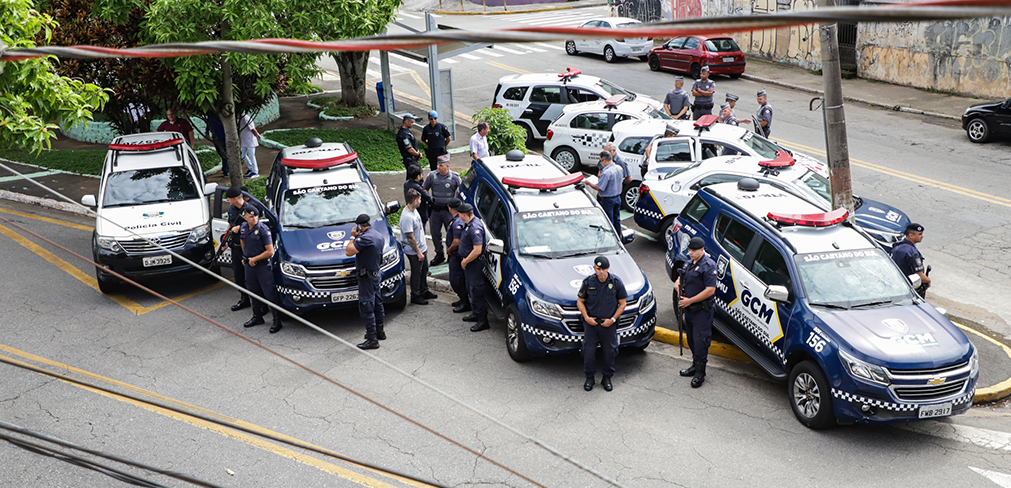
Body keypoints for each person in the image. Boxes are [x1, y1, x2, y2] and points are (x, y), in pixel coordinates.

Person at [577, 256, 627, 392]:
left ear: (608, 268)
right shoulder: (588, 282)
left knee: (610, 351)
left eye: (604, 269)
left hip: (608, 324)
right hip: (591, 324)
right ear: (594, 268)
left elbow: (622, 304)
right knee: (588, 352)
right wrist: (586, 318)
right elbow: (580, 301)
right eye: (598, 269)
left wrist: (613, 319)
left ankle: (607, 378)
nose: (601, 272)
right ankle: (589, 378)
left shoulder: (616, 282)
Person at [674, 237, 717, 388]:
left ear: (702, 250)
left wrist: (690, 300)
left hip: (701, 311)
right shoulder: (688, 263)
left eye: (693, 251)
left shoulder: (708, 266)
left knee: (701, 341)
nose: (690, 253)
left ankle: (700, 373)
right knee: (691, 339)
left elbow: (710, 290)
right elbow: (681, 277)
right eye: (689, 250)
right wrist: (678, 284)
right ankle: (694, 365)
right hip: (689, 310)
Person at [345, 213, 386, 350]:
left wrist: (352, 237)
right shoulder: (378, 235)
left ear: (359, 225)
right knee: (378, 303)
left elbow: (349, 252)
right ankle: (380, 331)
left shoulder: (366, 238)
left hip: (367, 278)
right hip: (376, 274)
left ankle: (372, 339)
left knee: (367, 306)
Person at [239, 206, 282, 334]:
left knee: (269, 293)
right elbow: (243, 242)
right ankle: (257, 316)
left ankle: (277, 320)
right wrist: (245, 256)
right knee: (253, 291)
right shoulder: (244, 227)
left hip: (262, 267)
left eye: (256, 216)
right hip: (249, 266)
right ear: (245, 217)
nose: (254, 219)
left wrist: (255, 258)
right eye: (251, 217)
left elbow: (270, 251)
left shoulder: (263, 230)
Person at [422, 153, 461, 266]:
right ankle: (439, 254)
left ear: (447, 166)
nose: (438, 167)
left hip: (449, 211)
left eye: (441, 165)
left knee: (451, 233)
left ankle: (451, 254)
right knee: (435, 233)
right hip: (435, 210)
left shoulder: (454, 177)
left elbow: (460, 192)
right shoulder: (432, 176)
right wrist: (430, 200)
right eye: (438, 165)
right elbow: (424, 189)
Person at [400, 189, 438, 306]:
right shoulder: (407, 217)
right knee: (417, 273)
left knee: (424, 270)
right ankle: (415, 295)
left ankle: (424, 290)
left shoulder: (414, 211)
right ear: (415, 200)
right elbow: (410, 238)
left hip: (422, 248)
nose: (421, 201)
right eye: (420, 199)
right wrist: (418, 252)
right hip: (414, 251)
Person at [458, 203, 489, 331]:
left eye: (460, 214)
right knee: (471, 289)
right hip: (470, 264)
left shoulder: (474, 228)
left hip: (474, 264)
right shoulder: (470, 223)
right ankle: (476, 313)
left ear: (464, 214)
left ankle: (483, 320)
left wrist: (465, 261)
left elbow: (477, 250)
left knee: (477, 291)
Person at [587, 151, 625, 241]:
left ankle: (610, 239)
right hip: (617, 197)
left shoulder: (606, 173)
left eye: (600, 161)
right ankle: (618, 237)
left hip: (608, 199)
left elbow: (599, 187)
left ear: (604, 160)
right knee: (617, 219)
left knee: (609, 221)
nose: (600, 163)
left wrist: (588, 182)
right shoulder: (619, 168)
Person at [225, 186, 251, 312]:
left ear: (235, 198)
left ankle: (260, 303)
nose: (228, 201)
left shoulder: (249, 209)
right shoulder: (232, 209)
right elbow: (230, 224)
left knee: (252, 277)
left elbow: (255, 225)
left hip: (248, 248)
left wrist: (240, 227)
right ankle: (244, 299)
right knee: (238, 276)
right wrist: (226, 238)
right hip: (235, 248)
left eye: (229, 198)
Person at [890, 223, 930, 298]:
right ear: (911, 235)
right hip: (908, 288)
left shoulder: (898, 246)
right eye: (920, 234)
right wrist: (928, 281)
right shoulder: (912, 252)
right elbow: (919, 275)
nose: (922, 236)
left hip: (896, 284)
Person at [445, 199, 471, 313]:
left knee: (456, 279)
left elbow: (456, 241)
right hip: (457, 254)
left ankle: (465, 302)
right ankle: (462, 299)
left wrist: (449, 250)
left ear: (450, 208)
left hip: (456, 255)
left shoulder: (457, 222)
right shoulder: (457, 220)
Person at [403, 165, 433, 230]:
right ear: (418, 176)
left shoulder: (406, 184)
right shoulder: (417, 187)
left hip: (411, 210)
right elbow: (429, 198)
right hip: (420, 214)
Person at [238, 111, 261, 179]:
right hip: (245, 141)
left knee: (251, 156)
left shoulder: (246, 118)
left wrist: (257, 135)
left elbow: (253, 129)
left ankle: (255, 172)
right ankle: (251, 168)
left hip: (250, 141)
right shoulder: (241, 119)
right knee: (243, 155)